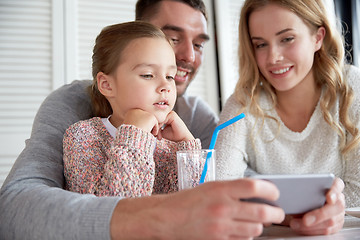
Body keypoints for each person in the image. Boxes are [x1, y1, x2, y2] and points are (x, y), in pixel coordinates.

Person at [0, 1, 287, 239]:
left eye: (199, 44)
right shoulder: (78, 119)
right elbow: (15, 205)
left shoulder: (191, 117)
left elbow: (228, 183)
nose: (189, 55)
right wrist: (135, 135)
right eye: (173, 38)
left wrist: (294, 211)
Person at [215, 0, 354, 235]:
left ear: (318, 37)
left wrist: (274, 208)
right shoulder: (242, 104)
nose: (273, 57)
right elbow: (218, 189)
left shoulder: (352, 89)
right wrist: (288, 215)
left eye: (287, 39)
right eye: (260, 44)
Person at [64, 21, 202, 197]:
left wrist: (187, 147)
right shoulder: (83, 136)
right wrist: (134, 136)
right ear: (107, 85)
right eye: (148, 75)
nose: (165, 86)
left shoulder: (170, 146)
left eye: (170, 76)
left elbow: (198, 204)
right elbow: (108, 210)